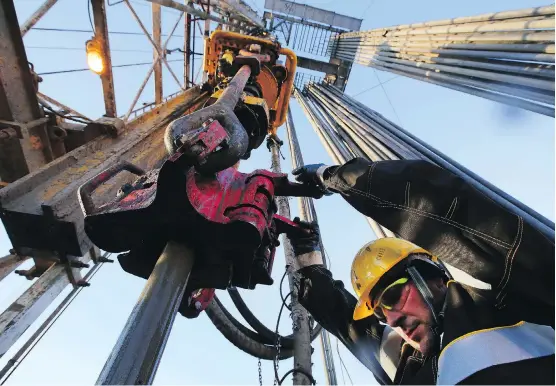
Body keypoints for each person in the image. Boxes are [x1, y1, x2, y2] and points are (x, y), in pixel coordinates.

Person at [287, 158, 555, 385]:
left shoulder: (513, 303)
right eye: (380, 311)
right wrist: (308, 259)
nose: (391, 321)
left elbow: (442, 210)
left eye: (392, 297)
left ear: (433, 277)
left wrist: (335, 176)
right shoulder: (405, 365)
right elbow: (348, 323)